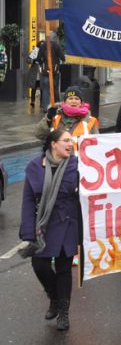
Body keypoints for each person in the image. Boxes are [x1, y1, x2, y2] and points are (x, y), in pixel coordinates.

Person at [20, 129, 79, 331]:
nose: (71, 144)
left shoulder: (77, 165)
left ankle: (63, 312)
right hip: (44, 224)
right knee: (39, 264)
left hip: (68, 222)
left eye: (71, 141)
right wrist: (28, 232)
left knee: (64, 269)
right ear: (54, 144)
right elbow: (28, 201)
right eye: (66, 140)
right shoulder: (35, 167)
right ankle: (54, 297)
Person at [36, 34, 65, 112]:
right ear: (55, 38)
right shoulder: (57, 46)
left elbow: (38, 58)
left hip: (45, 71)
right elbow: (63, 57)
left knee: (45, 89)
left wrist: (42, 63)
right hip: (55, 71)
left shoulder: (43, 45)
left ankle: (45, 107)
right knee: (55, 89)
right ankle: (57, 106)